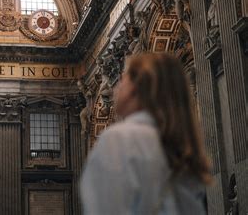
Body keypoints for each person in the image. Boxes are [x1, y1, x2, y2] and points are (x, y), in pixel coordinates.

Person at [80, 53, 212, 214]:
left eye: (123, 79)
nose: (116, 87)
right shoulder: (183, 148)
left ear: (135, 88)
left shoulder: (119, 139)